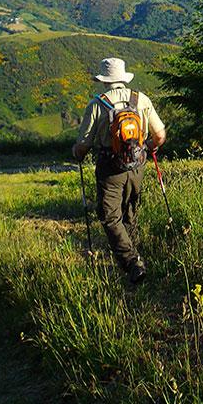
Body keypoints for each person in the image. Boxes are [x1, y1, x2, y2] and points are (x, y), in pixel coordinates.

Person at [72, 58, 166, 284]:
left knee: (109, 216)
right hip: (137, 165)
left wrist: (76, 152)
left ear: (104, 81)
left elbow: (83, 145)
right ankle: (134, 252)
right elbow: (160, 136)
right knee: (129, 209)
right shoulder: (141, 99)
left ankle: (132, 262)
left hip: (109, 167)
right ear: (123, 78)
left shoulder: (97, 104)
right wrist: (145, 149)